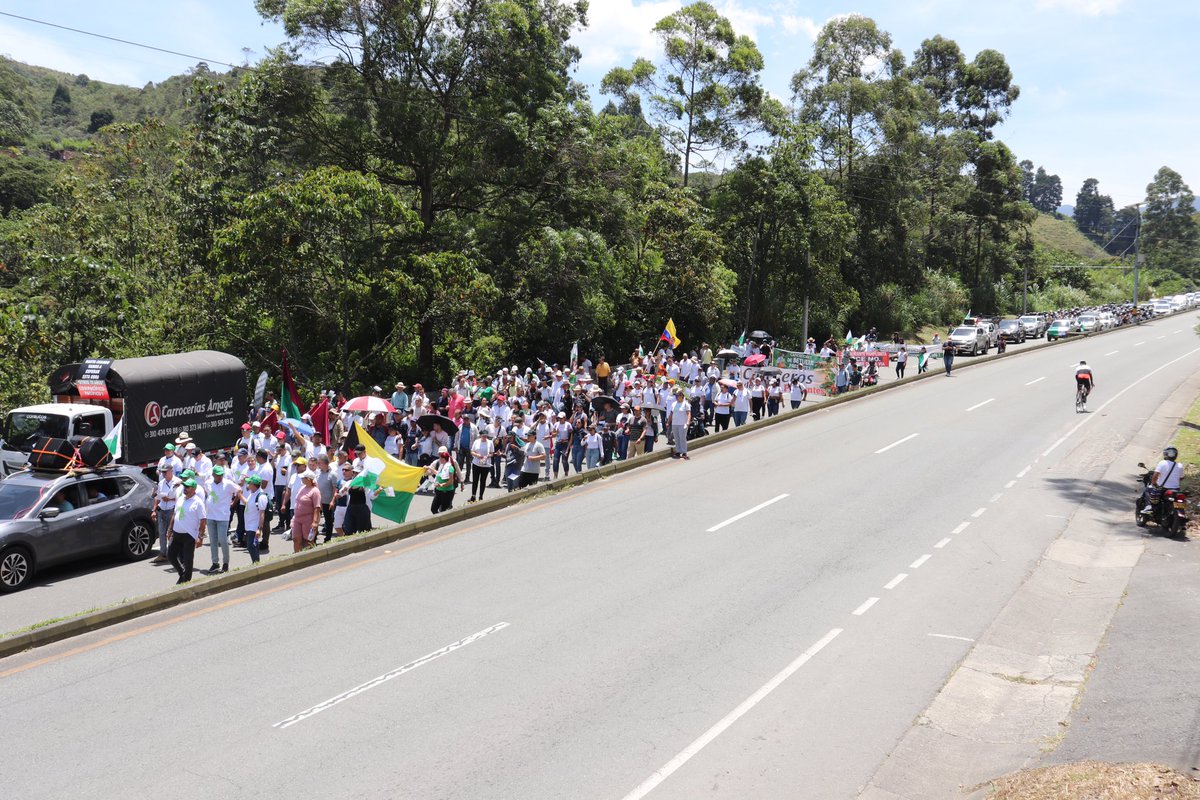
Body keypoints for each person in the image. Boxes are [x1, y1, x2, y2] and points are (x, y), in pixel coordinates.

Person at [167, 478, 205, 584]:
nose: (185, 489)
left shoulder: (198, 502)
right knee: (171, 555)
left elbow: (203, 520)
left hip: (189, 535)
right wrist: (170, 529)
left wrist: (200, 537)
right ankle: (181, 572)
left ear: (193, 489)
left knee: (188, 559)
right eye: (184, 486)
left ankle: (186, 580)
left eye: (187, 487)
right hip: (177, 533)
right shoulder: (181, 499)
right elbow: (175, 514)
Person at [203, 466, 238, 573]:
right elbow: (206, 493)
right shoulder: (208, 483)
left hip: (223, 516)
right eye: (217, 474)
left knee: (223, 540)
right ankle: (215, 563)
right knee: (213, 541)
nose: (220, 476)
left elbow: (239, 490)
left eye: (221, 474)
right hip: (210, 516)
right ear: (213, 474)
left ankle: (226, 563)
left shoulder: (228, 483)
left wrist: (233, 502)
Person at [1141, 446, 1183, 517]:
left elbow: (1155, 476)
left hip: (1163, 489)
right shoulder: (1180, 465)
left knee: (1148, 490)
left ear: (1165, 454)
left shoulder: (1162, 463)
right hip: (1176, 490)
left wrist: (1154, 484)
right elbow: (1181, 478)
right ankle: (1181, 514)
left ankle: (1149, 507)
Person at [150, 463, 179, 564]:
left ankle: (173, 554)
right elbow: (157, 498)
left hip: (172, 509)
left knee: (171, 533)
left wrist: (170, 498)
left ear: (171, 471)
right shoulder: (161, 483)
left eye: (165, 472)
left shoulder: (177, 482)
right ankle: (163, 554)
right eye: (162, 472)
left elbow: (182, 497)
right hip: (162, 509)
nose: (163, 473)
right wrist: (154, 510)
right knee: (162, 533)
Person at [291, 471, 322, 552]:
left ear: (308, 479)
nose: (301, 479)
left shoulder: (315, 491)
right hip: (297, 518)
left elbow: (317, 507)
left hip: (308, 519)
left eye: (303, 478)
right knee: (296, 539)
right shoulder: (302, 487)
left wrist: (315, 522)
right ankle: (297, 557)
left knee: (308, 540)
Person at [242, 475, 270, 564]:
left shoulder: (261, 496)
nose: (247, 484)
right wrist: (240, 496)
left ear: (253, 485)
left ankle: (256, 563)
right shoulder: (252, 493)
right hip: (249, 525)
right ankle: (256, 562)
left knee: (251, 546)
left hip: (254, 526)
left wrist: (259, 529)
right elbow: (248, 504)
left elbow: (262, 514)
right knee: (253, 545)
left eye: (249, 482)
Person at [428, 446, 458, 513]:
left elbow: (451, 481)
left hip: (446, 492)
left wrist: (441, 485)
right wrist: (429, 468)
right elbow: (438, 473)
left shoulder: (450, 468)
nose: (439, 458)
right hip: (439, 491)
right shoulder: (442, 466)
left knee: (443, 510)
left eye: (441, 457)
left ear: (444, 459)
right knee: (433, 509)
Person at [469, 427, 494, 502]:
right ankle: (473, 496)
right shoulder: (476, 442)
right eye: (483, 436)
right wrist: (477, 455)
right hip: (476, 463)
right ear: (480, 435)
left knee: (483, 481)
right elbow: (472, 451)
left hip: (485, 464)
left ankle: (481, 496)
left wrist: (487, 456)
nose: (484, 437)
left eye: (485, 436)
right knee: (475, 480)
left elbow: (492, 453)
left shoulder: (490, 442)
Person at [668, 389, 691, 460]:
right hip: (675, 423)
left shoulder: (686, 404)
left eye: (678, 396)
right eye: (676, 396)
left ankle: (684, 452)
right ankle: (678, 451)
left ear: (682, 396)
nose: (676, 397)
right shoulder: (674, 404)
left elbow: (689, 413)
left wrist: (688, 422)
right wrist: (668, 422)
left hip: (682, 424)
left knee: (682, 438)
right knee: (676, 438)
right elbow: (671, 413)